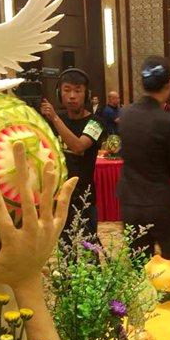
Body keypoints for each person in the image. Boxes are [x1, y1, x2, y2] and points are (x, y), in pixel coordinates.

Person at [117, 55, 170, 260]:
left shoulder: (125, 114)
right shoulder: (168, 120)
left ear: (142, 83)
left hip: (130, 203)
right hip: (161, 203)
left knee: (140, 271)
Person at [40, 68, 104, 240]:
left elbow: (78, 147)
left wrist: (54, 119)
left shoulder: (96, 122)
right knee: (65, 250)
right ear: (59, 93)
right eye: (67, 90)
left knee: (89, 250)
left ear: (87, 95)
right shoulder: (56, 118)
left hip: (85, 197)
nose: (72, 96)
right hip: (60, 197)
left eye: (78, 91)